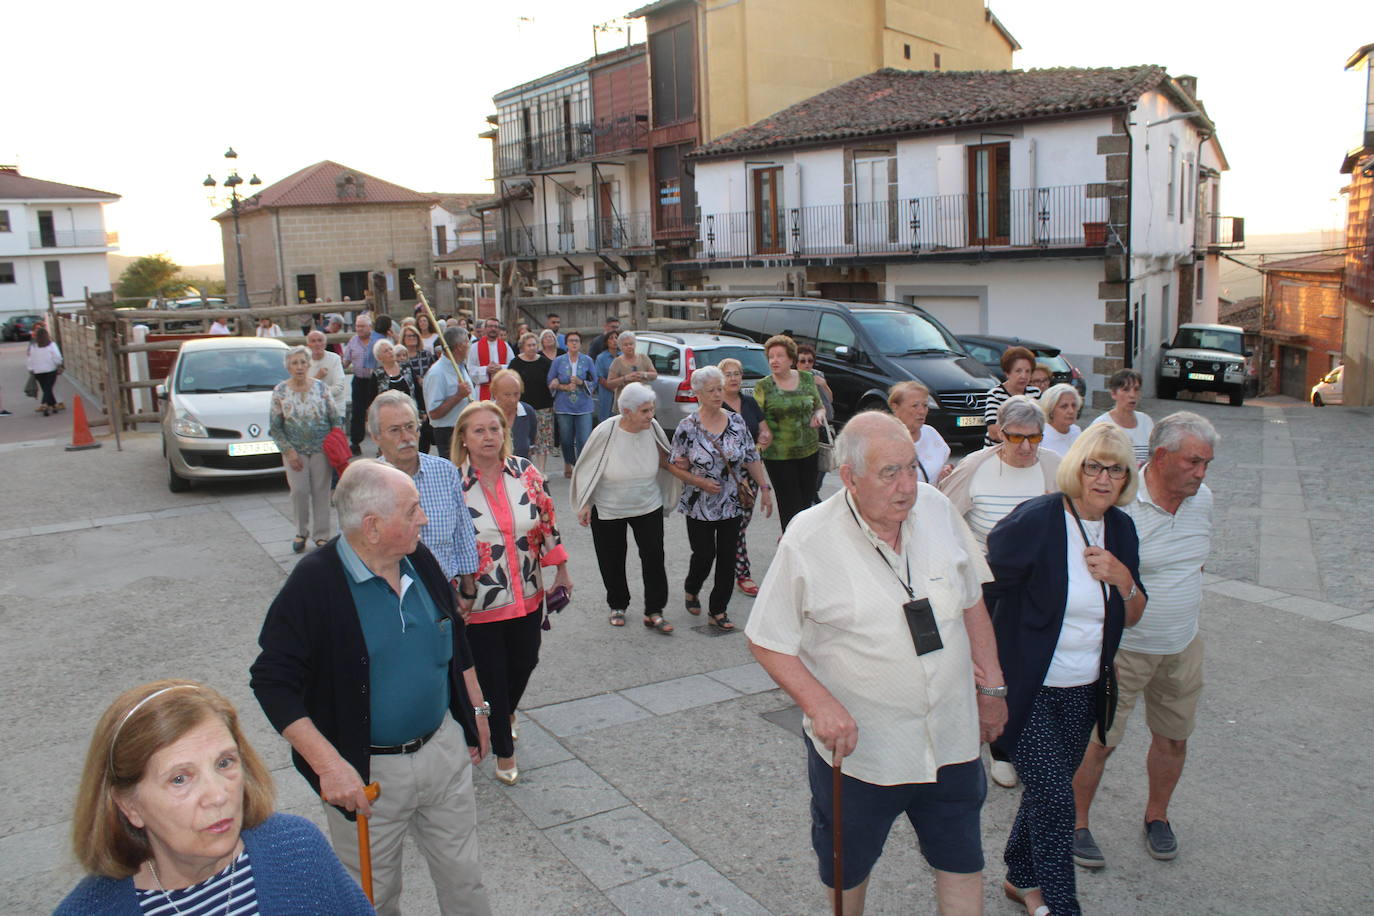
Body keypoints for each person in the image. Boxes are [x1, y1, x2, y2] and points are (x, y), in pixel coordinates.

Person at [745, 411, 1007, 916]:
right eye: (890, 473)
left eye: (912, 467)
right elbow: (767, 639)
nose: (907, 486)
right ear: (849, 478)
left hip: (951, 738)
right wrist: (820, 705)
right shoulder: (809, 536)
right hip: (864, 753)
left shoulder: (936, 507)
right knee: (850, 869)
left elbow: (972, 599)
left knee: (962, 861)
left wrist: (992, 688)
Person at [251, 460, 494, 916]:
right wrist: (329, 766)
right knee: (371, 898)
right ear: (373, 526)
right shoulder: (315, 583)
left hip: (442, 752)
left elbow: (454, 638)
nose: (423, 518)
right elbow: (271, 680)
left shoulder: (416, 557)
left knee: (465, 881)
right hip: (368, 776)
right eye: (412, 509)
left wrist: (477, 711)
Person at [984, 423, 1147, 916]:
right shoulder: (1037, 520)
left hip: (1085, 689)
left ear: (1125, 478)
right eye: (1094, 465)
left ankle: (1020, 878)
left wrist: (1123, 579)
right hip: (1029, 689)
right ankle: (1060, 903)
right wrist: (987, 676)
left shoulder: (1121, 529)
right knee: (1057, 797)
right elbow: (984, 591)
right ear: (1077, 467)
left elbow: (1136, 612)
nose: (1103, 477)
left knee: (1046, 791)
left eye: (1115, 468)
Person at [56, 679, 374, 915]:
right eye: (180, 779)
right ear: (129, 805)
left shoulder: (296, 849)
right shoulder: (88, 910)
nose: (218, 795)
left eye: (225, 763)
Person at [1072, 411, 1217, 869]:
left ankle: (1158, 816)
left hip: (1181, 646)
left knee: (1174, 738)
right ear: (1160, 456)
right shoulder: (1122, 505)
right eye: (1194, 461)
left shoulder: (1204, 499)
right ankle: (1075, 825)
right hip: (1124, 651)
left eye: (1207, 463)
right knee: (1100, 741)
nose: (1201, 473)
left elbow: (1195, 563)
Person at [454, 402, 572, 786]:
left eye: (495, 429)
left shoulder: (525, 471)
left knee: (525, 661)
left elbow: (547, 522)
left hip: (528, 592)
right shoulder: (453, 482)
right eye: (479, 431)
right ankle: (505, 751)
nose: (489, 437)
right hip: (479, 602)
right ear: (464, 439)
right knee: (492, 676)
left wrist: (562, 570)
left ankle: (505, 714)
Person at [572, 381, 684, 629]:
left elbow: (667, 458)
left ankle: (654, 610)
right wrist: (585, 503)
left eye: (651, 409)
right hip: (609, 506)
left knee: (654, 556)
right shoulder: (605, 432)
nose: (650, 415)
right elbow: (587, 469)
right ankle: (618, 605)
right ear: (626, 411)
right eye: (644, 411)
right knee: (612, 559)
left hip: (647, 503)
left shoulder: (652, 427)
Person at [670, 367, 773, 632]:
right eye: (711, 390)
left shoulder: (737, 422)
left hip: (732, 502)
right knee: (704, 555)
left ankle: (718, 609)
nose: (718, 394)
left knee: (727, 557)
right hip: (699, 504)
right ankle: (692, 588)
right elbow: (674, 465)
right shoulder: (687, 427)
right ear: (698, 394)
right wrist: (699, 481)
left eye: (720, 388)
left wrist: (764, 488)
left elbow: (751, 456)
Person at [368, 391, 479, 612]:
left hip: (444, 591)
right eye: (395, 430)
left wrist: (468, 588)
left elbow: (463, 531)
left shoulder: (444, 471)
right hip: (390, 599)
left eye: (410, 427)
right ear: (376, 437)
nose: (406, 436)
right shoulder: (367, 483)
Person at [941, 396, 1062, 553]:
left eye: (1034, 438)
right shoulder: (973, 466)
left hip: (1037, 569)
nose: (1026, 447)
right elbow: (942, 517)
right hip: (986, 570)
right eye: (1017, 437)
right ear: (1001, 434)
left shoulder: (1054, 466)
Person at [270, 346, 341, 553]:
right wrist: (288, 451)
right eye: (295, 363)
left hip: (321, 449)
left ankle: (321, 536)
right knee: (299, 492)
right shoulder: (280, 391)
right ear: (288, 367)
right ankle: (301, 532)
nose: (300, 367)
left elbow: (335, 419)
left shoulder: (321, 388)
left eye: (303, 362)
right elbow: (275, 427)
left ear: (309, 364)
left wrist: (334, 444)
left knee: (321, 491)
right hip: (295, 451)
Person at [754, 334, 826, 531]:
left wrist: (818, 415)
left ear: (791, 359)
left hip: (809, 451)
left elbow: (819, 406)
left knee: (806, 505)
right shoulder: (763, 386)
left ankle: (803, 548)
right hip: (778, 455)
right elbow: (756, 416)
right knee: (790, 507)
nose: (774, 360)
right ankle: (791, 548)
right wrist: (764, 430)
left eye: (780, 356)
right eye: (771, 356)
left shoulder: (806, 378)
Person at [720, 357, 770, 597]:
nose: (734, 378)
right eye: (728, 374)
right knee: (735, 528)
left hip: (749, 474)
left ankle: (729, 565)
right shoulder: (716, 405)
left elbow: (764, 429)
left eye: (737, 373)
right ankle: (742, 573)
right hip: (724, 477)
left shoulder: (749, 402)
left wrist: (765, 437)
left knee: (740, 526)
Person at [547, 330, 598, 476]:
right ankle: (568, 463)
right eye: (571, 341)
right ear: (566, 344)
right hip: (564, 405)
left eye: (577, 341)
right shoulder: (558, 361)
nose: (574, 343)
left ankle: (581, 466)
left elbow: (594, 381)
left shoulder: (587, 360)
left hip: (583, 405)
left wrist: (582, 382)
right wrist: (562, 386)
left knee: (584, 438)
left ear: (581, 344)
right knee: (566, 438)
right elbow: (550, 380)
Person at [423, 328, 475, 462]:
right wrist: (458, 396)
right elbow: (433, 413)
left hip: (466, 428)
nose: (469, 346)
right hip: (448, 433)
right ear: (459, 347)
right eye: (467, 342)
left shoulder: (461, 367)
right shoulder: (437, 373)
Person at [508, 332, 555, 471]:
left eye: (534, 345)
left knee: (543, 440)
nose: (532, 348)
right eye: (529, 345)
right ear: (522, 347)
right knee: (525, 440)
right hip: (522, 408)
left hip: (543, 406)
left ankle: (541, 470)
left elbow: (552, 378)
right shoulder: (515, 362)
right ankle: (527, 469)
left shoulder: (545, 362)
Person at [888, 380, 951, 484]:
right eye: (915, 406)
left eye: (925, 405)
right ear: (895, 408)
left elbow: (942, 465)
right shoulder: (883, 439)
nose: (922, 411)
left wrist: (945, 473)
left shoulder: (931, 433)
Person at [1090, 368, 1154, 465]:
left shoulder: (1146, 422)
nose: (1132, 395)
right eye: (1126, 390)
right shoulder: (1101, 425)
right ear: (1113, 394)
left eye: (1136, 389)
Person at [985, 345, 1043, 446]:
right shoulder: (995, 394)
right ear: (1007, 373)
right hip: (999, 450)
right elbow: (993, 431)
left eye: (1027, 371)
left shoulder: (1035, 393)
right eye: (1018, 371)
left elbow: (1042, 424)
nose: (1024, 376)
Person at [341, 315, 378, 455]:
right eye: (357, 326)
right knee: (358, 412)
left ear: (370, 327)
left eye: (362, 326)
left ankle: (382, 444)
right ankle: (356, 443)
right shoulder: (353, 341)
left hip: (374, 380)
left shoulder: (377, 340)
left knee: (377, 411)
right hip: (359, 380)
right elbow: (346, 362)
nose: (359, 329)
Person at [606, 331, 659, 412]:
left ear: (635, 344)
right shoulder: (617, 362)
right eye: (626, 345)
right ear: (620, 347)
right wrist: (625, 378)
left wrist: (644, 374)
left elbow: (654, 375)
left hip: (643, 401)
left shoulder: (644, 358)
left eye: (631, 344)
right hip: (626, 403)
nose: (629, 347)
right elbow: (609, 383)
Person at [490, 368, 536, 458]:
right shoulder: (486, 414)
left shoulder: (528, 412)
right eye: (507, 395)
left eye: (516, 394)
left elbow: (530, 447)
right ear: (495, 393)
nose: (513, 400)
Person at [370, 338, 420, 418]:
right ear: (379, 358)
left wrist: (422, 411)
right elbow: (372, 399)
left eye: (391, 349)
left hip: (410, 412)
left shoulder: (406, 368)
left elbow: (417, 390)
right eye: (386, 351)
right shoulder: (377, 375)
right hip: (388, 416)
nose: (390, 352)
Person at [307, 329, 348, 423]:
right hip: (312, 410)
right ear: (308, 345)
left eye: (320, 340)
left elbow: (338, 388)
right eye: (313, 341)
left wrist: (314, 392)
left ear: (325, 344)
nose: (317, 344)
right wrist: (317, 377)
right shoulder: (304, 361)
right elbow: (302, 389)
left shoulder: (335, 359)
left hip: (334, 408)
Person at [467, 318, 513, 401]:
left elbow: (513, 366)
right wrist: (486, 369)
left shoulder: (506, 346)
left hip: (502, 389)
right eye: (490, 326)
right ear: (485, 329)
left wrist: (501, 368)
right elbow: (470, 369)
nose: (493, 329)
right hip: (482, 390)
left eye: (496, 326)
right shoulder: (475, 347)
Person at [25, 324, 63, 416]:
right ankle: (45, 404)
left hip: (38, 371)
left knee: (46, 389)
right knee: (48, 388)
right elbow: (57, 356)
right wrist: (59, 364)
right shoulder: (51, 345)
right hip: (50, 369)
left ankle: (53, 405)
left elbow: (30, 359)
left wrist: (30, 368)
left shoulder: (33, 346)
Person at [1039, 383, 1084, 458]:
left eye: (1074, 405)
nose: (1071, 411)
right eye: (1064, 406)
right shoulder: (1041, 438)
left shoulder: (1077, 431)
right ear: (1051, 410)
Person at [594, 329, 622, 421]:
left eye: (616, 338)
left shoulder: (622, 355)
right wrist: (613, 389)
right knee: (606, 420)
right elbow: (600, 377)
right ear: (606, 342)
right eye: (611, 338)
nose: (614, 340)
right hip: (606, 393)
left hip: (621, 392)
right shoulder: (601, 358)